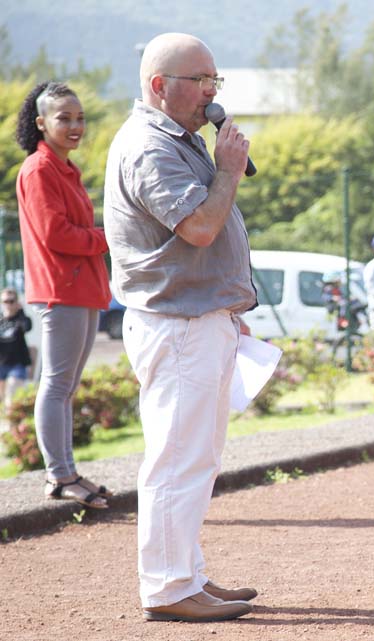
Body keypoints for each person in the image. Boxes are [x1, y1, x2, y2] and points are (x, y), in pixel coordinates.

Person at [103, 32, 259, 623]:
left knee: (198, 457)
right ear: (159, 86)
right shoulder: (148, 146)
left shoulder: (181, 139)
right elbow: (198, 228)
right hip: (176, 322)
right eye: (201, 80)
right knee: (177, 457)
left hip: (198, 317)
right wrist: (229, 171)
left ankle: (185, 574)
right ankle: (168, 589)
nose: (212, 91)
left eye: (215, 79)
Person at [14, 81, 114, 511]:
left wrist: (99, 239)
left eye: (80, 118)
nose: (75, 126)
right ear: (41, 123)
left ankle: (68, 471)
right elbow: (57, 235)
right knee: (55, 386)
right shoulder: (38, 170)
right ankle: (59, 476)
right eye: (64, 118)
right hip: (60, 289)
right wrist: (109, 237)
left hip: (83, 288)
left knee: (66, 386)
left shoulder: (66, 168)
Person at [0, 289, 33, 411]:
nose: (8, 304)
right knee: (2, 398)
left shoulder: (22, 319)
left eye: (11, 301)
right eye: (5, 301)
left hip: (17, 364)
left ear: (16, 302)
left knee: (11, 395)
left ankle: (10, 426)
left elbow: (27, 328)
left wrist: (21, 311)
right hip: (1, 364)